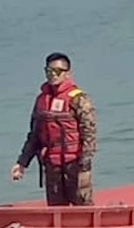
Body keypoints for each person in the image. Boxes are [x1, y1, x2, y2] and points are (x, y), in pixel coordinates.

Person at [10, 52, 97, 206]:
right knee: (56, 210)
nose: (52, 75)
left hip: (75, 164)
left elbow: (89, 135)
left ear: (67, 74)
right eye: (48, 71)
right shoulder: (41, 100)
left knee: (82, 208)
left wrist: (84, 168)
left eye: (57, 71)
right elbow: (34, 136)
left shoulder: (79, 99)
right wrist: (22, 163)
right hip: (52, 166)